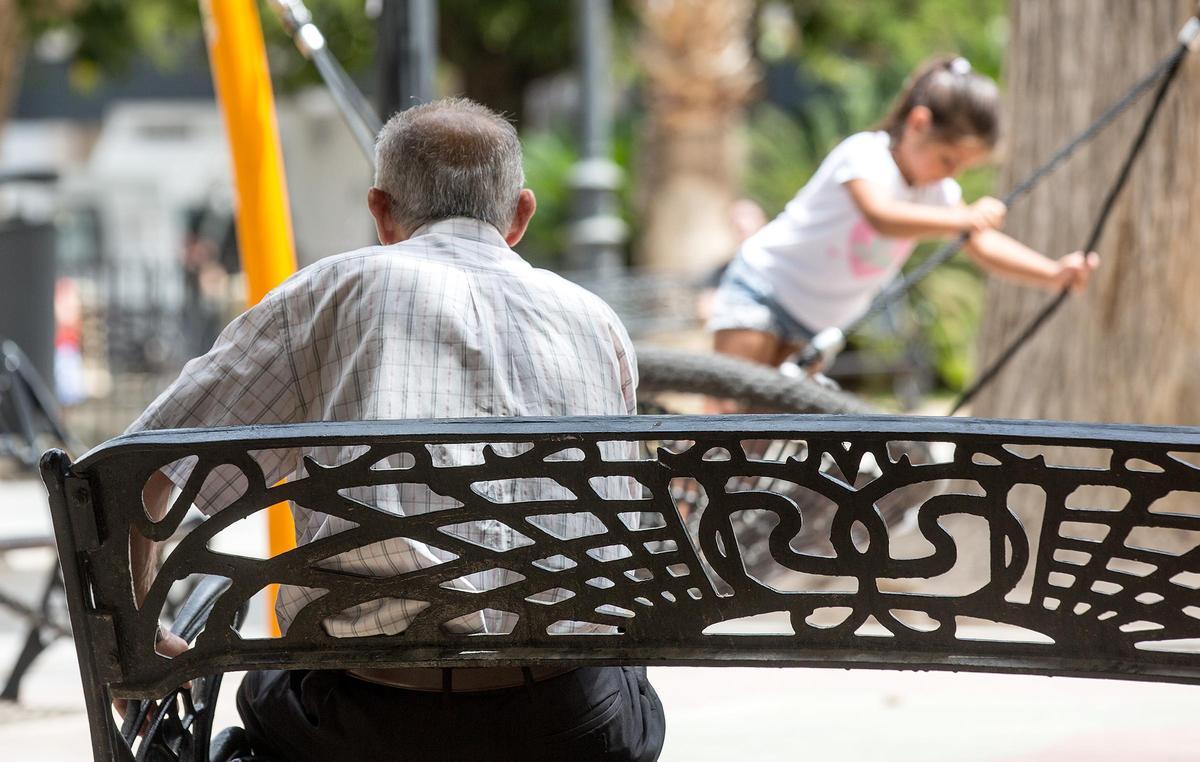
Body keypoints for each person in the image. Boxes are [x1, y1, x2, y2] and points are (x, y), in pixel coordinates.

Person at [126, 98, 664, 761]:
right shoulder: (596, 322)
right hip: (567, 725)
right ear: (520, 215)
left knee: (267, 686)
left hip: (371, 726)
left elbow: (134, 470)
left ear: (380, 211)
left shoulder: (328, 296)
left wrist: (135, 637)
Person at [709, 56, 1100, 369]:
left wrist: (1052, 273)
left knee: (764, 442)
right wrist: (965, 218)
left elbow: (981, 245)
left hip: (817, 325)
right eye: (948, 158)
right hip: (765, 290)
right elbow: (881, 216)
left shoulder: (938, 194)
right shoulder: (865, 155)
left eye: (964, 166)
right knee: (723, 423)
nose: (952, 173)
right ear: (917, 123)